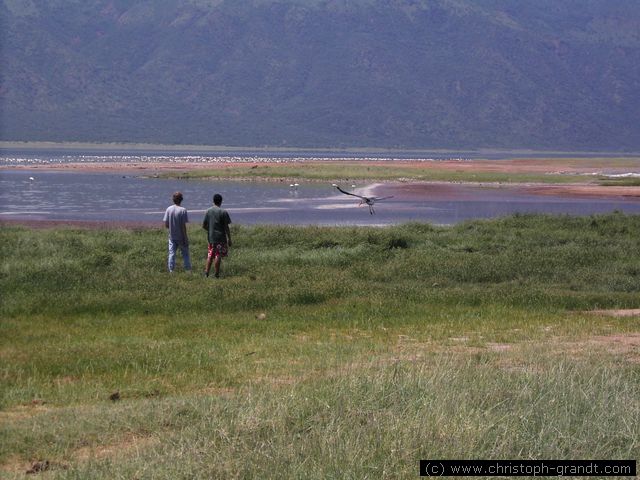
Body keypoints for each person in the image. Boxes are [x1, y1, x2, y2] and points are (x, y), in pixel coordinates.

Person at [203, 193, 232, 278]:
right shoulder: (223, 212)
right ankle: (216, 274)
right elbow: (226, 227)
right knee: (217, 255)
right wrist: (229, 238)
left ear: (213, 201)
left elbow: (204, 225)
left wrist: (210, 230)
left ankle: (206, 273)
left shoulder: (208, 211)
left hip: (211, 238)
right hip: (221, 238)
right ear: (221, 202)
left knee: (210, 255)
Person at [163, 191, 191, 273]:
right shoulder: (183, 210)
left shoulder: (169, 209)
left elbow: (166, 225)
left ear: (173, 200)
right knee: (185, 254)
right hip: (181, 237)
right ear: (181, 200)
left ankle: (171, 270)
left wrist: (172, 228)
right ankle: (188, 270)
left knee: (171, 254)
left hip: (172, 236)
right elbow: (183, 226)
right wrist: (185, 238)